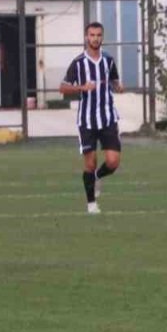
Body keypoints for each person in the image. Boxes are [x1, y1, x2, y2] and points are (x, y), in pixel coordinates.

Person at [59, 22, 122, 214]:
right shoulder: (78, 63)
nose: (95, 38)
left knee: (113, 162)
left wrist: (118, 86)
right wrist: (81, 87)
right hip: (87, 121)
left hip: (108, 118)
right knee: (90, 162)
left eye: (98, 35)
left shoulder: (109, 61)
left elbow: (114, 80)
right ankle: (91, 204)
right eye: (92, 35)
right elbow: (62, 88)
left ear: (102, 37)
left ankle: (97, 177)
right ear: (86, 37)